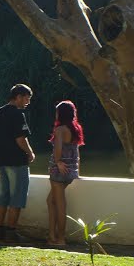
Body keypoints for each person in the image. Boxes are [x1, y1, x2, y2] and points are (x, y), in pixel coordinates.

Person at [0, 84, 34, 243]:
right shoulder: (18, 114)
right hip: (16, 161)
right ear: (19, 96)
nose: (27, 102)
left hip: (1, 159)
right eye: (27, 98)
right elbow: (21, 138)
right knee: (17, 197)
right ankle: (11, 232)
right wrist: (30, 153)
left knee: (2, 196)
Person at [45, 100, 84, 246]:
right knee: (51, 201)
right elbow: (77, 152)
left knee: (60, 204)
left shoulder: (60, 129)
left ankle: (60, 239)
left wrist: (58, 161)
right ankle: (52, 236)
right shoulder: (76, 128)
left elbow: (58, 149)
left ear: (60, 114)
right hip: (70, 170)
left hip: (59, 170)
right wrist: (76, 170)